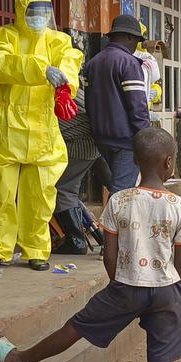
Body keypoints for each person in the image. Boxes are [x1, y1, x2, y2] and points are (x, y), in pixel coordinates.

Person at [0, 127, 181, 362]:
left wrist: (118, 284)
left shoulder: (118, 200)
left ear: (137, 161)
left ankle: (17, 361)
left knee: (77, 326)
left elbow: (108, 254)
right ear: (170, 163)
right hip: (168, 291)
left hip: (125, 285)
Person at [0, 0, 83, 271]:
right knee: (3, 192)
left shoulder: (58, 41)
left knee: (41, 193)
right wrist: (39, 69)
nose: (39, 16)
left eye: (44, 10)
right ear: (21, 8)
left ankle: (36, 249)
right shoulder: (4, 37)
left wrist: (65, 79)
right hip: (8, 123)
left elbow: (71, 63)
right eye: (33, 10)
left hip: (43, 124)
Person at [86, 14, 150, 193]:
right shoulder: (128, 63)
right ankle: (113, 222)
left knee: (117, 189)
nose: (136, 46)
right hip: (126, 141)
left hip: (100, 138)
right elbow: (137, 106)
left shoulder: (93, 63)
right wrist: (145, 138)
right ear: (130, 37)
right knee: (122, 196)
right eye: (136, 41)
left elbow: (88, 103)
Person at [52, 88, 106, 255]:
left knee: (62, 189)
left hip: (79, 146)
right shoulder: (74, 89)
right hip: (91, 144)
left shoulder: (56, 92)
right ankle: (86, 238)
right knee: (69, 190)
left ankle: (76, 241)